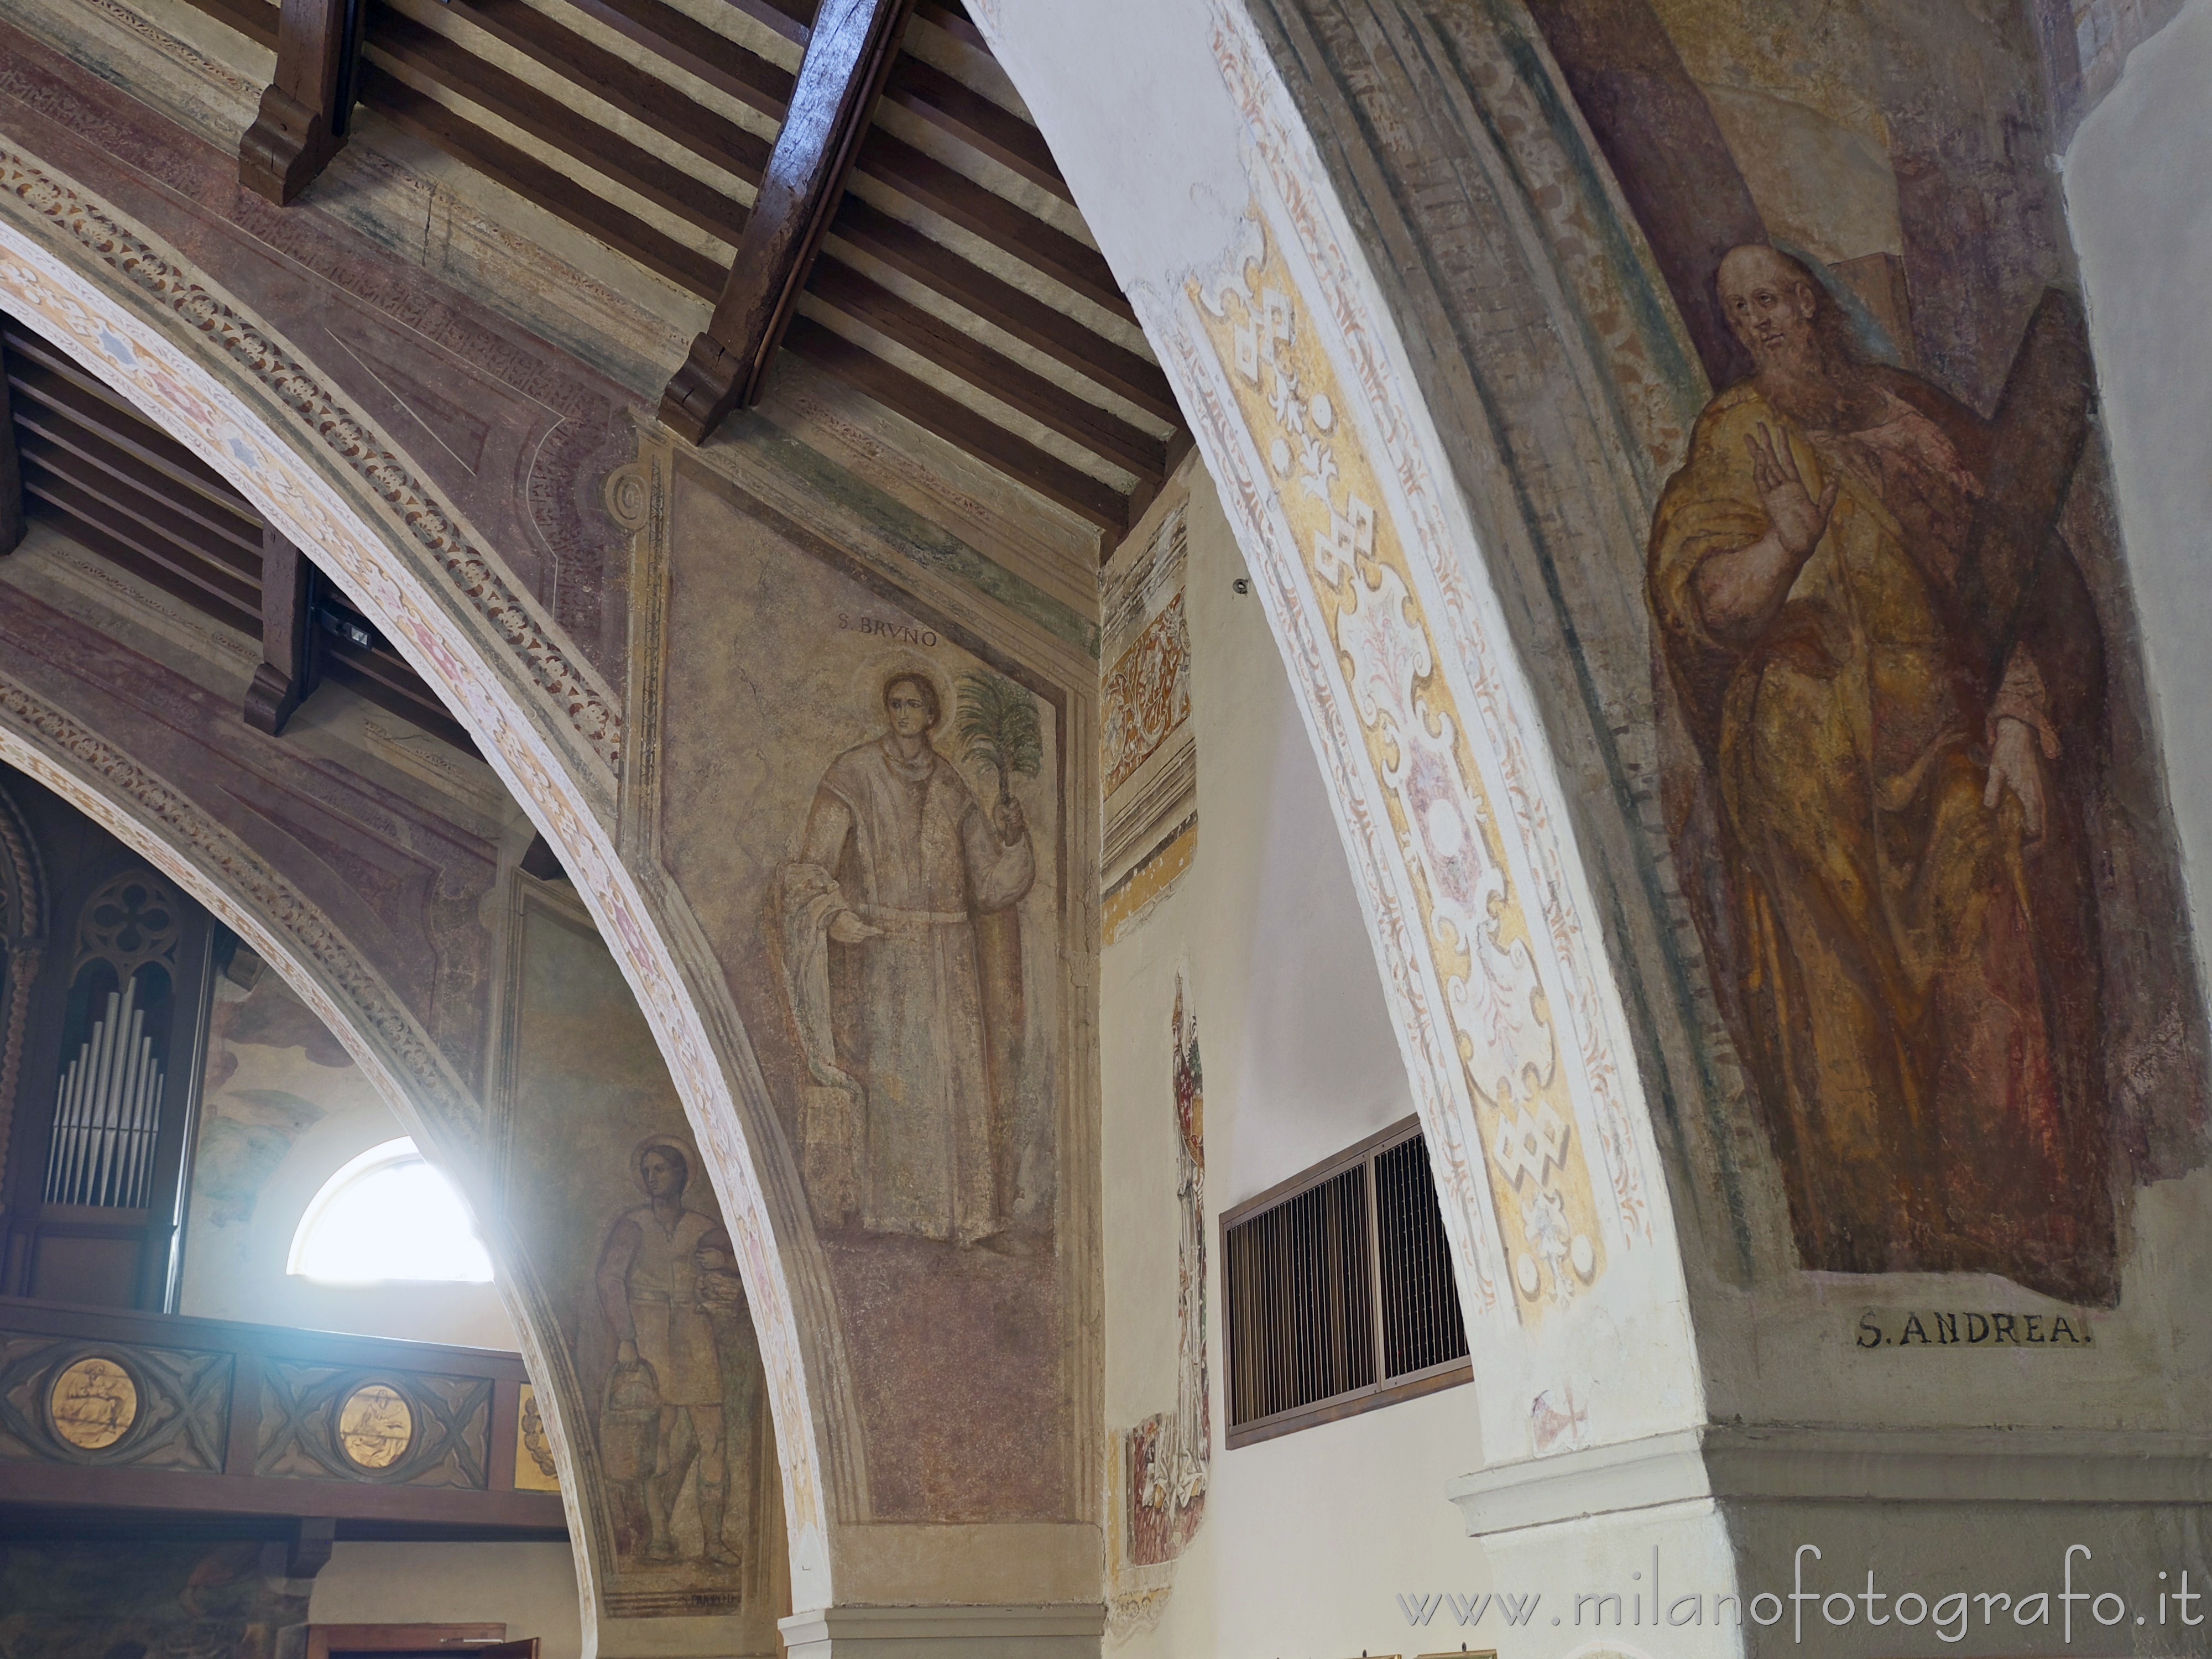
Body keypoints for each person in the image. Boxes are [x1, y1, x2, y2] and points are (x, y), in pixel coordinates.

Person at [1647, 244, 2111, 1302]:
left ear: (1809, 300)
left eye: (1772, 297)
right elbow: (1702, 604)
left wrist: (2017, 714)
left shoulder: (1909, 416)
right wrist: (1783, 548)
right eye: (1739, 309)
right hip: (1813, 772)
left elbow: (2020, 575)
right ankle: (1879, 1267)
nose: (1760, 320)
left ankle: (2026, 1257)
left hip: (1944, 743)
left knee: (1993, 938)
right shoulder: (1738, 436)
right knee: (1839, 1018)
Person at [778, 670, 1034, 1245]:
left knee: (954, 1080)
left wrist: (1014, 839)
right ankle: (897, 1215)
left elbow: (989, 885)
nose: (902, 713)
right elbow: (813, 865)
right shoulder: (854, 773)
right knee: (900, 1079)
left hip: (949, 954)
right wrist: (839, 918)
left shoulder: (951, 787)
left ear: (932, 715)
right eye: (894, 703)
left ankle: (962, 1217)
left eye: (913, 704)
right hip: (885, 952)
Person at [594, 1142, 748, 1564]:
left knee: (712, 1441)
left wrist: (726, 1268)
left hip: (695, 1336)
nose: (653, 1177)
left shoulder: (702, 1225)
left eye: (661, 1169)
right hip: (649, 1337)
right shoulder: (634, 1225)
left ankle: (713, 1540)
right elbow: (610, 1279)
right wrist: (626, 1336)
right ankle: (660, 1536)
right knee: (654, 1442)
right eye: (647, 1170)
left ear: (682, 1174)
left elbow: (742, 1267)